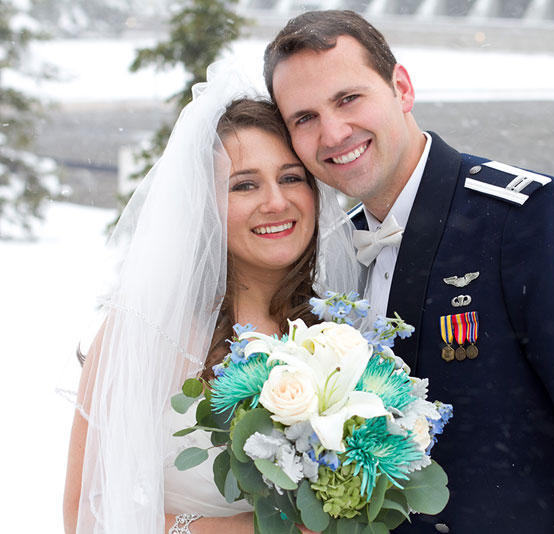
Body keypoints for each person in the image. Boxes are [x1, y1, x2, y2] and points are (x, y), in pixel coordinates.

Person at [263, 10, 554, 533]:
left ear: (401, 88)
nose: (333, 132)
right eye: (304, 118)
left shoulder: (530, 219)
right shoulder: (330, 252)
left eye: (348, 99)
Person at [63, 62, 357, 534]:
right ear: (204, 206)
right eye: (244, 185)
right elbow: (87, 515)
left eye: (291, 177)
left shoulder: (340, 336)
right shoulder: (148, 331)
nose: (276, 202)